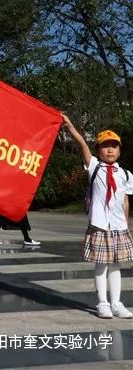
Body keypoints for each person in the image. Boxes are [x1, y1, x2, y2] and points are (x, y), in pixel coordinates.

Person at [62, 114, 133, 319]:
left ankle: (117, 303)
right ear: (98, 150)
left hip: (119, 227)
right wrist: (69, 125)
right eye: (105, 146)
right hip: (100, 225)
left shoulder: (126, 175)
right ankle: (102, 303)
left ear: (120, 150)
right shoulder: (93, 167)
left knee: (116, 266)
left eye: (114, 146)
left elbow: (125, 201)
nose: (110, 150)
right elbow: (81, 142)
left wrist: (126, 226)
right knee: (101, 265)